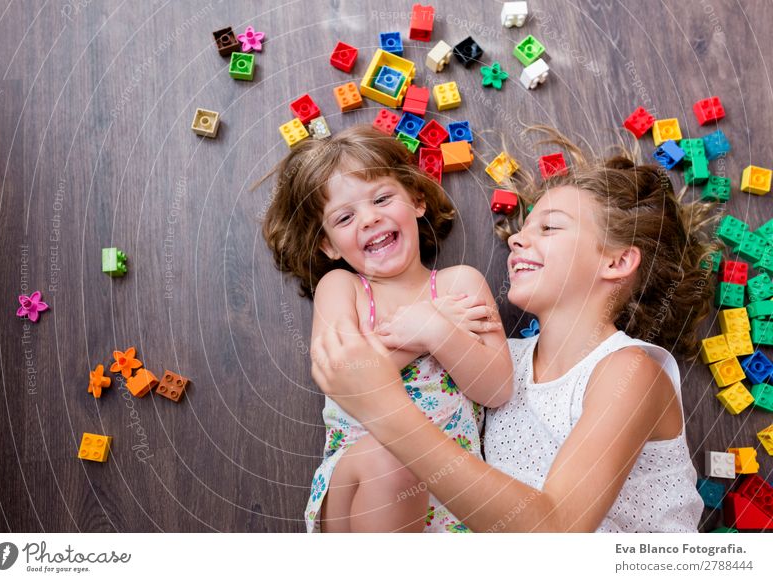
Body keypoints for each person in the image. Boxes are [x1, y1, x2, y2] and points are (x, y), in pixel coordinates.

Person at [310, 127, 717, 532]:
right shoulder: (507, 359)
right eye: (523, 228)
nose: (517, 239)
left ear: (615, 263)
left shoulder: (630, 373)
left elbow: (556, 532)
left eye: (550, 227)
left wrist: (385, 406)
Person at [262, 126, 514, 532]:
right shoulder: (341, 288)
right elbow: (343, 377)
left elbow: (497, 388)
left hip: (456, 503)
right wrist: (422, 334)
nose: (370, 217)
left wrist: (436, 330)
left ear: (416, 200)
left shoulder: (459, 285)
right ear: (328, 245)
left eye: (381, 198)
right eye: (344, 217)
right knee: (394, 457)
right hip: (360, 489)